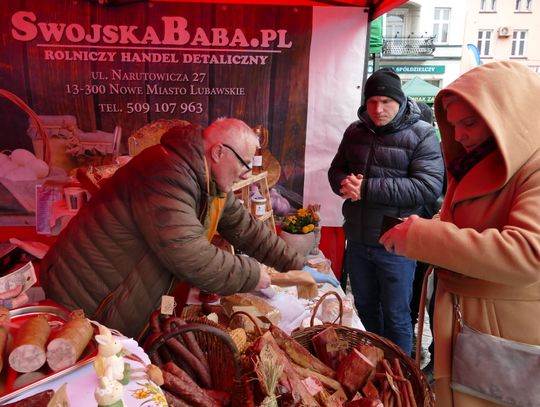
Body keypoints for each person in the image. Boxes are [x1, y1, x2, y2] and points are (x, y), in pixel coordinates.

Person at [40, 118, 334, 339]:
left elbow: (245, 228)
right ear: (219, 152)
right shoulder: (165, 172)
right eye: (245, 163)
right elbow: (190, 254)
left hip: (117, 295)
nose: (247, 172)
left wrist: (295, 264)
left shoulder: (207, 179)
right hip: (86, 298)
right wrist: (255, 275)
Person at [379, 61, 540, 406]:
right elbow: (464, 222)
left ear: (509, 115)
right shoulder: (475, 160)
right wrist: (426, 227)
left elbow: (529, 253)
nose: (460, 135)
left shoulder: (534, 167)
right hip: (467, 321)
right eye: (453, 125)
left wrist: (423, 237)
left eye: (469, 123)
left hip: (503, 333)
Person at [328, 68, 445, 354]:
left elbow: (427, 187)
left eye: (385, 102)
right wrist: (344, 183)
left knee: (397, 315)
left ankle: (401, 374)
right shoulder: (355, 131)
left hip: (396, 240)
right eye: (372, 102)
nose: (378, 109)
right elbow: (335, 169)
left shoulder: (422, 134)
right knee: (365, 307)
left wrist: (367, 188)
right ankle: (376, 364)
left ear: (400, 100)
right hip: (357, 238)